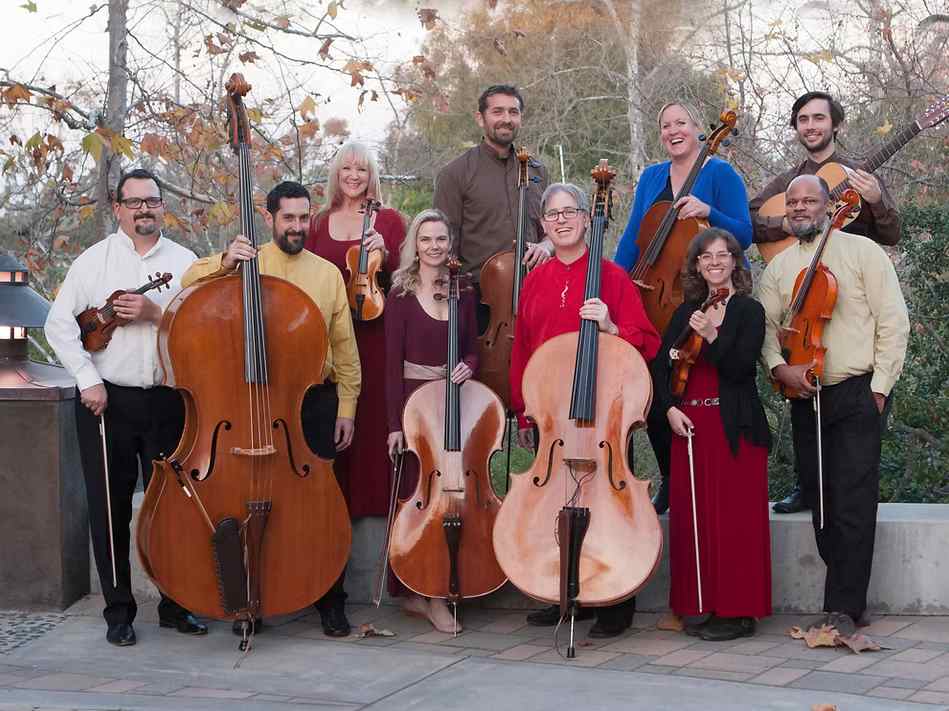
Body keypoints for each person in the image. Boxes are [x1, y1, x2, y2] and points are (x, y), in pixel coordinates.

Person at [180, 180, 361, 638]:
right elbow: (186, 282)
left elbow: (345, 349)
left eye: (304, 218)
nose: (297, 227)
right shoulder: (246, 260)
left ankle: (330, 600)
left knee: (317, 505)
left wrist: (347, 407)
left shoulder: (326, 274)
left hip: (311, 403)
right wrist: (223, 262)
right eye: (289, 218)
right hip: (247, 402)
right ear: (269, 218)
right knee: (247, 501)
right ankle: (250, 599)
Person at [45, 168, 208, 646]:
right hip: (108, 400)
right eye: (133, 202)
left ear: (163, 207)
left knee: (176, 508)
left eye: (152, 200)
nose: (144, 209)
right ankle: (119, 612)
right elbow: (59, 326)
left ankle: (177, 604)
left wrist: (158, 315)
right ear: (118, 209)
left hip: (168, 400)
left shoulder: (186, 263)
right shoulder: (93, 262)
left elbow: (202, 330)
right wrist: (87, 379)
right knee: (109, 507)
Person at [758, 174, 909, 633]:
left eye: (809, 200)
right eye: (794, 202)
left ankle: (845, 605)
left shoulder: (862, 252)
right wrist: (778, 370)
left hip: (856, 392)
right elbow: (765, 330)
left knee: (854, 503)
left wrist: (880, 388)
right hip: (806, 397)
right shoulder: (779, 268)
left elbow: (893, 322)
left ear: (828, 206)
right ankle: (841, 593)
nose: (801, 207)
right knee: (822, 502)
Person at [510, 182, 661, 638]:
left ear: (586, 219)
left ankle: (614, 601)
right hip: (552, 418)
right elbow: (523, 350)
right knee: (553, 503)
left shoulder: (612, 277)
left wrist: (612, 326)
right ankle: (565, 591)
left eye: (570, 212)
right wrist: (523, 410)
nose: (561, 221)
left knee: (609, 505)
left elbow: (647, 342)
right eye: (552, 215)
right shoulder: (535, 281)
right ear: (543, 225)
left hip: (605, 417)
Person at [749, 91, 901, 515]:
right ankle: (806, 483)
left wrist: (875, 200)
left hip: (851, 296)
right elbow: (752, 218)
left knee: (853, 471)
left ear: (836, 124)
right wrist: (790, 220)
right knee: (804, 412)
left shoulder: (860, 173)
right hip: (803, 297)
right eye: (803, 119)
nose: (811, 126)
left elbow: (891, 233)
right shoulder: (789, 181)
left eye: (819, 118)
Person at [613, 101, 754, 516]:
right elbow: (633, 239)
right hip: (656, 299)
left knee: (698, 387)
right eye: (665, 125)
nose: (673, 131)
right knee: (657, 389)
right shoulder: (652, 177)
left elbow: (743, 234)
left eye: (681, 123)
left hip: (706, 298)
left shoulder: (720, 173)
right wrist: (617, 283)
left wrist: (709, 211)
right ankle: (672, 478)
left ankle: (705, 477)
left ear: (697, 128)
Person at [651, 228, 772, 641]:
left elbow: (739, 370)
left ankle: (739, 613)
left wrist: (713, 335)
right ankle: (696, 605)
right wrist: (668, 408)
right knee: (694, 521)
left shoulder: (748, 312)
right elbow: (659, 367)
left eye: (723, 255)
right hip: (690, 430)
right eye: (707, 257)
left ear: (735, 262)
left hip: (733, 429)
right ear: (697, 266)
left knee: (735, 523)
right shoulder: (685, 311)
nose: (715, 262)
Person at [383, 209, 478, 633]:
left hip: (454, 405)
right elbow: (389, 365)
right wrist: (393, 424)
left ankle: (443, 585)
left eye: (441, 239)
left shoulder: (465, 289)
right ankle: (424, 594)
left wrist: (468, 366)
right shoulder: (400, 293)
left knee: (450, 499)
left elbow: (473, 348)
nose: (434, 246)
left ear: (449, 244)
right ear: (414, 245)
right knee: (417, 502)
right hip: (413, 406)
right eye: (426, 239)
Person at [305, 142, 405, 521]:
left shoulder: (390, 220)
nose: (354, 176)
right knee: (333, 416)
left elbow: (406, 280)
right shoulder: (318, 222)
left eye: (362, 170)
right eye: (347, 169)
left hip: (374, 335)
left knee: (371, 418)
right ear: (336, 173)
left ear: (372, 175)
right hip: (331, 335)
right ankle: (334, 507)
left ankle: (376, 508)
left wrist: (389, 253)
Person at [433, 84, 553, 332]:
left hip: (536, 292)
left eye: (513, 112)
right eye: (498, 111)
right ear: (480, 118)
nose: (507, 119)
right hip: (479, 301)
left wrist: (546, 245)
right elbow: (444, 244)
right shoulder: (454, 174)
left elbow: (555, 229)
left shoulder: (537, 171)